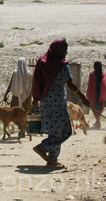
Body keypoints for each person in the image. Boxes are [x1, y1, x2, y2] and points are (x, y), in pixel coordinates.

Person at [32, 38, 90, 168]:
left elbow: (36, 81)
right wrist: (83, 98)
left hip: (46, 103)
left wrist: (35, 98)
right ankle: (42, 147)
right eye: (65, 50)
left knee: (55, 132)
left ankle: (52, 160)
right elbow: (70, 84)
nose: (66, 53)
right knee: (66, 131)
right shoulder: (61, 64)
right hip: (58, 103)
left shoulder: (42, 61)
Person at [86, 61, 106, 129]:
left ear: (95, 66)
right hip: (101, 94)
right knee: (99, 108)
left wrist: (87, 95)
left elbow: (90, 85)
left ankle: (98, 122)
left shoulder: (92, 74)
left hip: (94, 94)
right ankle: (97, 121)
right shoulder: (103, 74)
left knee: (94, 108)